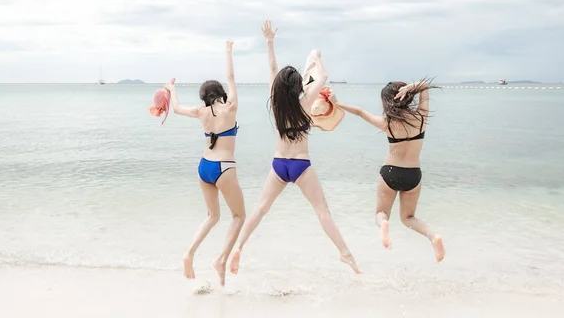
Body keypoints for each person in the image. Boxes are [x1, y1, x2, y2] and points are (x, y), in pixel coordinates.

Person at [229, 21, 360, 275]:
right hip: (301, 165)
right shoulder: (305, 102)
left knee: (260, 209)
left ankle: (239, 247)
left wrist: (269, 41)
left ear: (279, 86)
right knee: (323, 211)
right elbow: (322, 77)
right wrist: (316, 58)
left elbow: (272, 67)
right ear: (299, 87)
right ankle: (345, 254)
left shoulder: (275, 103)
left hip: (279, 164)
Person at [334, 80, 446, 262]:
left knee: (381, 213)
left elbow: (360, 112)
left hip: (390, 172)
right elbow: (424, 87)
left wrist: (336, 103)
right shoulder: (422, 118)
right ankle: (433, 237)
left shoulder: (387, 123)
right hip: (413, 174)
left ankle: (384, 225)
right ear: (405, 97)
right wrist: (411, 87)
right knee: (408, 217)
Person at [166, 39, 246, 286]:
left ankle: (189, 253)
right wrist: (229, 51)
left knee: (212, 216)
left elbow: (176, 109)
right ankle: (221, 260)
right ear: (221, 93)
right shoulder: (230, 107)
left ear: (203, 98)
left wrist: (171, 89)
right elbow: (231, 76)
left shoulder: (201, 113)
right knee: (239, 216)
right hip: (224, 168)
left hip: (204, 167)